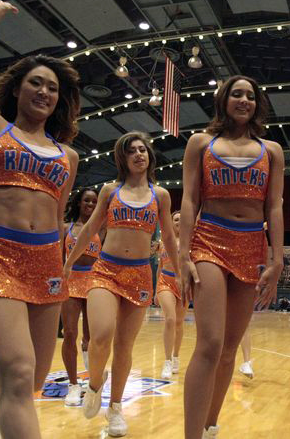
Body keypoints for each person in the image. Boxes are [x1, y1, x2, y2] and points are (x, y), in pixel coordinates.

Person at [0, 0, 80, 439]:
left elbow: (59, 214)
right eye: (36, 83)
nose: (44, 92)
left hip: (46, 264)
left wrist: (63, 265)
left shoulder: (68, 155)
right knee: (21, 372)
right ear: (19, 89)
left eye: (52, 88)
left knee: (34, 379)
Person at [179, 75, 285, 439]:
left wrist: (278, 259)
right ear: (223, 99)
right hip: (209, 240)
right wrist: (183, 251)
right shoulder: (200, 143)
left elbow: (274, 206)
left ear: (258, 103)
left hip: (252, 245)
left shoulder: (271, 150)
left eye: (251, 96)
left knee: (228, 350)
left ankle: (210, 426)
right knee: (209, 343)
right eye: (237, 94)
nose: (244, 100)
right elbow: (190, 199)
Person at [63, 131, 178, 437]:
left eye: (143, 150)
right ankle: (95, 384)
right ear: (123, 158)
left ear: (149, 157)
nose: (139, 154)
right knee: (101, 334)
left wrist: (181, 271)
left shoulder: (161, 196)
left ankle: (115, 409)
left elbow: (168, 237)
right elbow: (90, 229)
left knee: (124, 346)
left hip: (140, 274)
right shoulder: (109, 191)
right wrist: (68, 263)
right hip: (106, 270)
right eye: (132, 151)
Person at [61, 188, 103, 406]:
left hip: (94, 281)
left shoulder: (102, 229)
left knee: (91, 336)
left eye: (95, 202)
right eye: (87, 200)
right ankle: (73, 384)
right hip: (71, 280)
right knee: (69, 332)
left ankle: (91, 381)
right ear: (79, 203)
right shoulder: (65, 228)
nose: (91, 204)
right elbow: (58, 257)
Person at [156, 210, 186, 380]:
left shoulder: (191, 241)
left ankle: (176, 356)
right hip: (165, 281)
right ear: (171, 222)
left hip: (183, 284)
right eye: (175, 219)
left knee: (179, 323)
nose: (178, 222)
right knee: (170, 319)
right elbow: (160, 266)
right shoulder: (163, 242)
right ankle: (167, 361)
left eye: (182, 219)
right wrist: (155, 291)